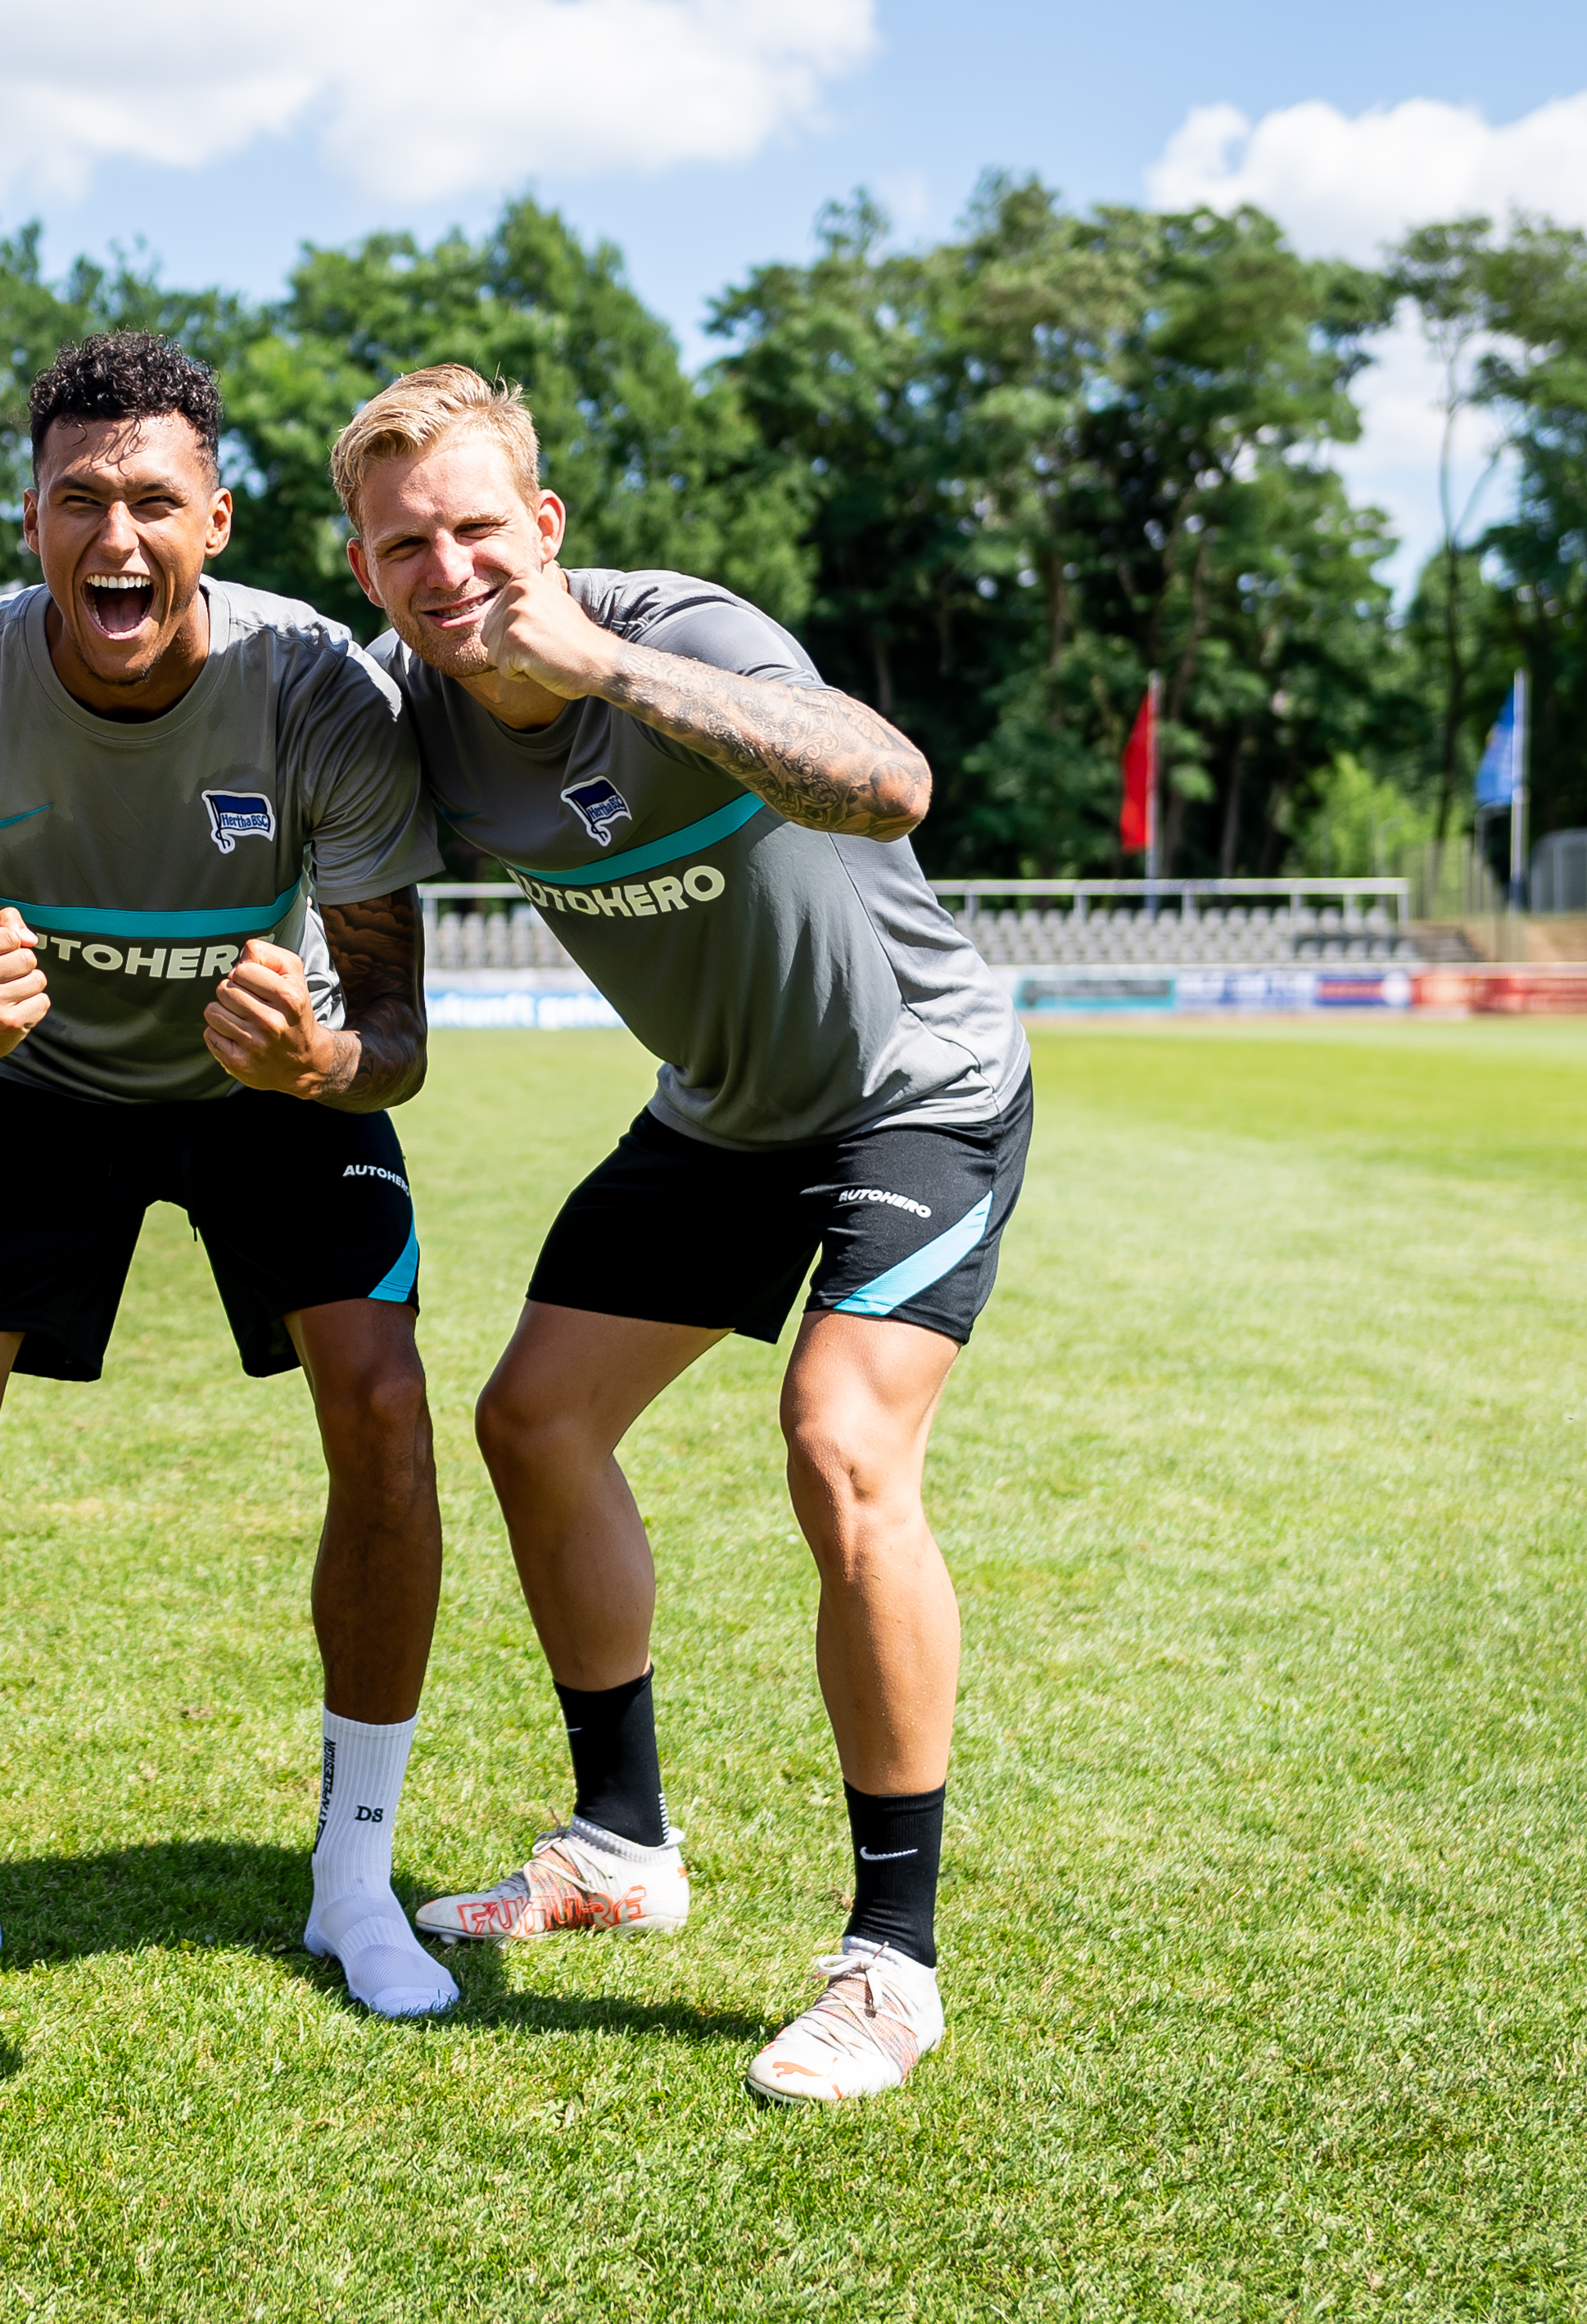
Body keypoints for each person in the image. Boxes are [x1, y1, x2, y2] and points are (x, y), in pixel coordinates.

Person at [337, 364, 1031, 2105]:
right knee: (533, 1419)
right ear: (366, 567)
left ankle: (892, 1961)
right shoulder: (406, 722)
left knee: (839, 1443)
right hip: (722, 1113)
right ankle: (619, 1845)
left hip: (912, 1089)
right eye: (405, 542)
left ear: (545, 528)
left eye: (480, 528)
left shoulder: (677, 630)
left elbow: (889, 785)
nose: (450, 568)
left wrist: (611, 670)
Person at [0, 332, 459, 2028]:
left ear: (218, 518)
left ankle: (353, 1882)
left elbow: (397, 1030)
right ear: (28, 517)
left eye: (154, 503)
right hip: (31, 1088)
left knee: (387, 1404)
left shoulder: (325, 686)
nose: (119, 538)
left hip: (265, 1081)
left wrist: (321, 1064)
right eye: (80, 501)